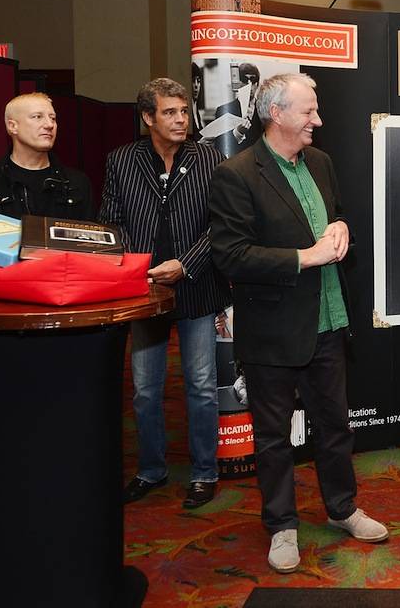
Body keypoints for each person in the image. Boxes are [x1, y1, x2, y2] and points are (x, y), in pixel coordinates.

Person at [209, 72, 387, 574]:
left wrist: (342, 227)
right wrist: (305, 258)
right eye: (308, 111)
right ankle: (282, 525)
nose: (318, 120)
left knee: (335, 427)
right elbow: (231, 255)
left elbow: (336, 217)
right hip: (272, 332)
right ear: (277, 114)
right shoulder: (237, 174)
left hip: (329, 321)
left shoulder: (321, 163)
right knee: (273, 437)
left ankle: (342, 508)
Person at [100, 78, 230, 510]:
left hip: (196, 286)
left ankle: (204, 473)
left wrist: (185, 264)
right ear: (148, 118)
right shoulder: (121, 160)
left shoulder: (209, 158)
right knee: (145, 390)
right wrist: (133, 268)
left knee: (202, 387)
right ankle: (151, 470)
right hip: (144, 292)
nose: (180, 120)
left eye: (183, 111)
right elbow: (111, 223)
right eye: (169, 112)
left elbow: (222, 225)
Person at [0, 92, 93, 220]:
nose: (49, 124)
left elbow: (90, 236)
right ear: (12, 126)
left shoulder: (76, 183)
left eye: (53, 118)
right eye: (37, 117)